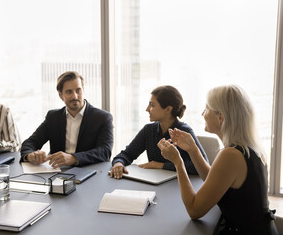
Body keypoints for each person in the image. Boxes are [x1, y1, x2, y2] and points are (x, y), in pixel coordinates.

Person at [158, 85, 278, 235]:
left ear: (220, 117)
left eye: (207, 109)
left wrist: (178, 162)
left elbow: (194, 210)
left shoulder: (230, 156)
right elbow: (216, 182)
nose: (202, 114)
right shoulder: (248, 148)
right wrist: (193, 150)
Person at [110, 85, 207, 179]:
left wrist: (161, 165)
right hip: (156, 185)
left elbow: (201, 166)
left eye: (152, 105)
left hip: (180, 187)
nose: (147, 109)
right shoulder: (148, 130)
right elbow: (127, 154)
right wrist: (119, 163)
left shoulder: (184, 131)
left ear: (168, 109)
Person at [20, 71, 113, 168]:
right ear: (60, 95)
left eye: (78, 90)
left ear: (83, 90)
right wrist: (30, 155)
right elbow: (30, 143)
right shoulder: (53, 117)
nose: (75, 96)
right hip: (58, 174)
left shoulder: (102, 118)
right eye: (69, 92)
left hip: (90, 172)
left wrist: (74, 158)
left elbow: (105, 151)